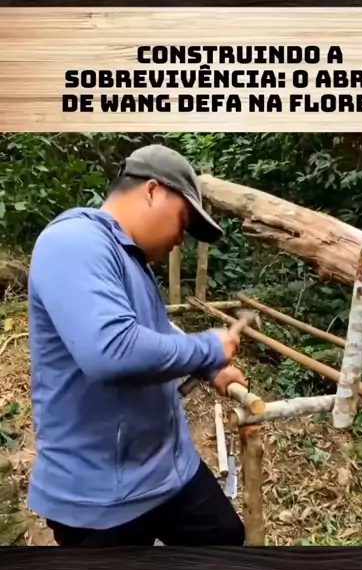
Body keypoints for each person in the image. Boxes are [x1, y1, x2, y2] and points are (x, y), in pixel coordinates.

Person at [27, 143, 248, 547]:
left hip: (167, 470)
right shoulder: (74, 241)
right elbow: (111, 350)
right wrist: (207, 348)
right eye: (183, 220)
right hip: (99, 498)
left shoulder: (131, 260)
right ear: (152, 191)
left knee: (225, 540)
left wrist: (208, 367)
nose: (181, 238)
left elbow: (156, 331)